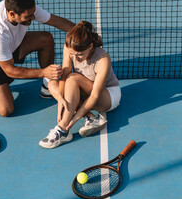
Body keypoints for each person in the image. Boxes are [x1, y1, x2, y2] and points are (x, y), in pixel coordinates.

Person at [0, 0, 74, 117]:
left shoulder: (26, 7)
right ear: (12, 14)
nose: (32, 18)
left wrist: (83, 33)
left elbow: (54, 20)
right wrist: (43, 72)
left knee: (45, 39)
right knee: (6, 110)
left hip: (11, 47)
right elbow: (10, 70)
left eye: (33, 13)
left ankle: (47, 87)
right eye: (28, 17)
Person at [39, 21, 121, 149]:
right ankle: (90, 117)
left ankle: (63, 130)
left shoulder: (103, 59)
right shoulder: (69, 47)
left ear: (90, 46)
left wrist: (72, 121)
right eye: (72, 55)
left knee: (73, 79)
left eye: (80, 55)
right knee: (52, 83)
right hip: (84, 88)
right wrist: (61, 100)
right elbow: (65, 74)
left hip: (107, 96)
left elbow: (94, 95)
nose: (76, 59)